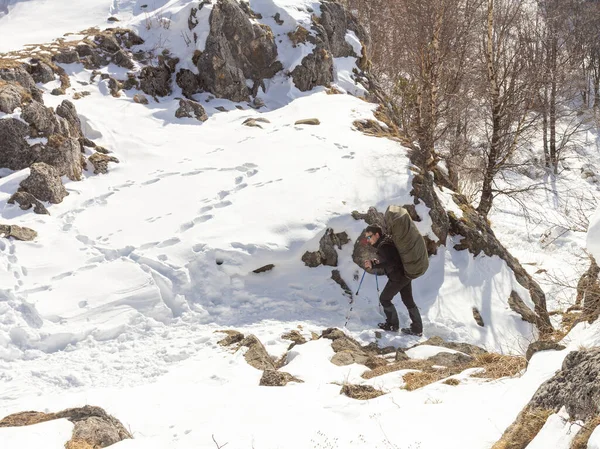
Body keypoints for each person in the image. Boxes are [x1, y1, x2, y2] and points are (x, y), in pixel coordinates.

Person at [364, 225, 423, 336]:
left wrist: (374, 265)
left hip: (397, 277)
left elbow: (392, 262)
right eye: (366, 238)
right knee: (408, 300)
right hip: (405, 274)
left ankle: (392, 325)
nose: (368, 240)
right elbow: (392, 258)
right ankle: (417, 329)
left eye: (369, 237)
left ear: (377, 235)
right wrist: (378, 262)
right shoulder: (387, 241)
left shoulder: (383, 245)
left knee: (384, 299)